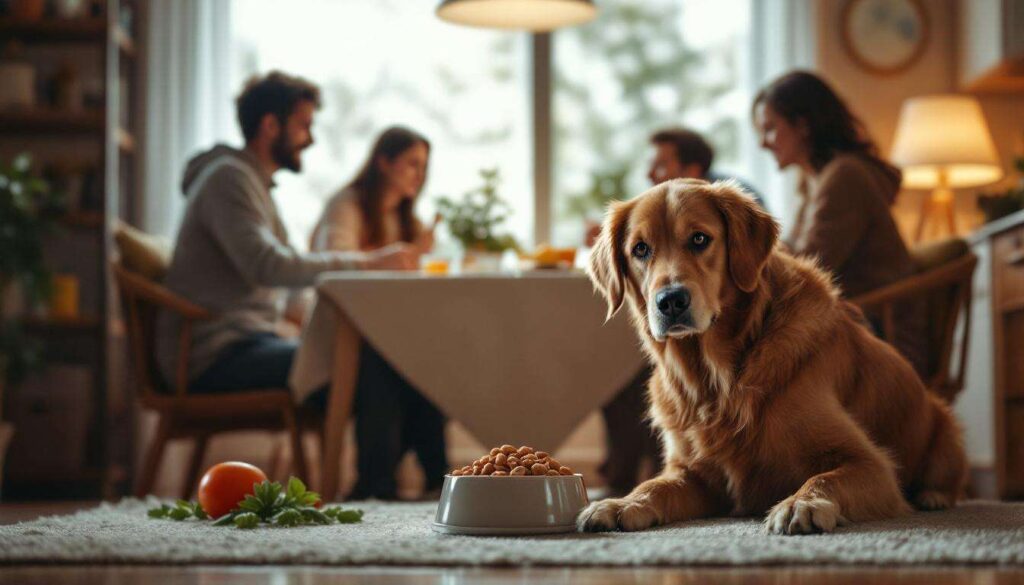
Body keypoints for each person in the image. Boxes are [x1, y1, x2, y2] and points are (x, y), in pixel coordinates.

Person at [155, 71, 417, 498]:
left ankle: (395, 484)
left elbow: (289, 286)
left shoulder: (253, 185)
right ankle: (377, 492)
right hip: (215, 355)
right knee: (365, 363)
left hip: (248, 344)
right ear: (270, 125)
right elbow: (268, 265)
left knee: (378, 356)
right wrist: (366, 262)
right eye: (303, 125)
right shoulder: (228, 179)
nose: (309, 139)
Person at [598, 127, 770, 497]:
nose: (669, 289)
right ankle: (620, 478)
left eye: (698, 241)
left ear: (692, 167)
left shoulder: (729, 201)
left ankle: (620, 472)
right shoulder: (645, 210)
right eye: (642, 252)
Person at [752, 70, 926, 376]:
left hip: (882, 333)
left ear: (802, 125)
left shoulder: (845, 176)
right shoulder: (813, 184)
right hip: (860, 324)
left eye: (769, 129)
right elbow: (795, 255)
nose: (763, 144)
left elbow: (809, 269)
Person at [310, 126, 448, 500]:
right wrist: (385, 259)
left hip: (383, 341)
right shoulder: (347, 205)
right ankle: (404, 480)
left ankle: (414, 480)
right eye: (411, 164)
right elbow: (329, 267)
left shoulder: (406, 221)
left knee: (431, 359)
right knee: (394, 363)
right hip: (335, 344)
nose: (419, 176)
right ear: (383, 162)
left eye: (424, 167)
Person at [647, 126, 767, 209]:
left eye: (660, 166)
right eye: (650, 164)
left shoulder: (736, 200)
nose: (649, 174)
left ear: (692, 171)